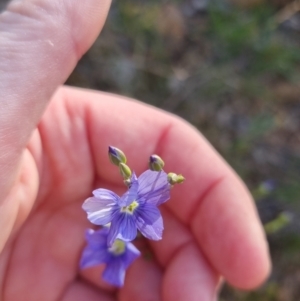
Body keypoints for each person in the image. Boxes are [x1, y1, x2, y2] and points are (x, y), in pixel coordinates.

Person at [0, 0, 271, 300]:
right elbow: (128, 211)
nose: (129, 205)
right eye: (130, 203)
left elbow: (141, 220)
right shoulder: (126, 206)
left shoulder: (134, 211)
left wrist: (147, 195)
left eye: (130, 204)